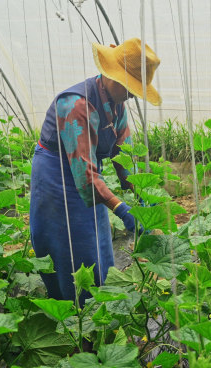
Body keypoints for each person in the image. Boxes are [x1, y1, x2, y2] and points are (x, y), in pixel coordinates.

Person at [29, 38, 160, 305]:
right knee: (70, 248)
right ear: (115, 79)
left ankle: (99, 308)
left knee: (98, 243)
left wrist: (143, 198)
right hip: (57, 177)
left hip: (90, 176)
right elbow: (85, 177)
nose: (135, 95)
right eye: (132, 88)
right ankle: (73, 312)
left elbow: (124, 158)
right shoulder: (75, 105)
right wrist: (123, 209)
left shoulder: (117, 106)